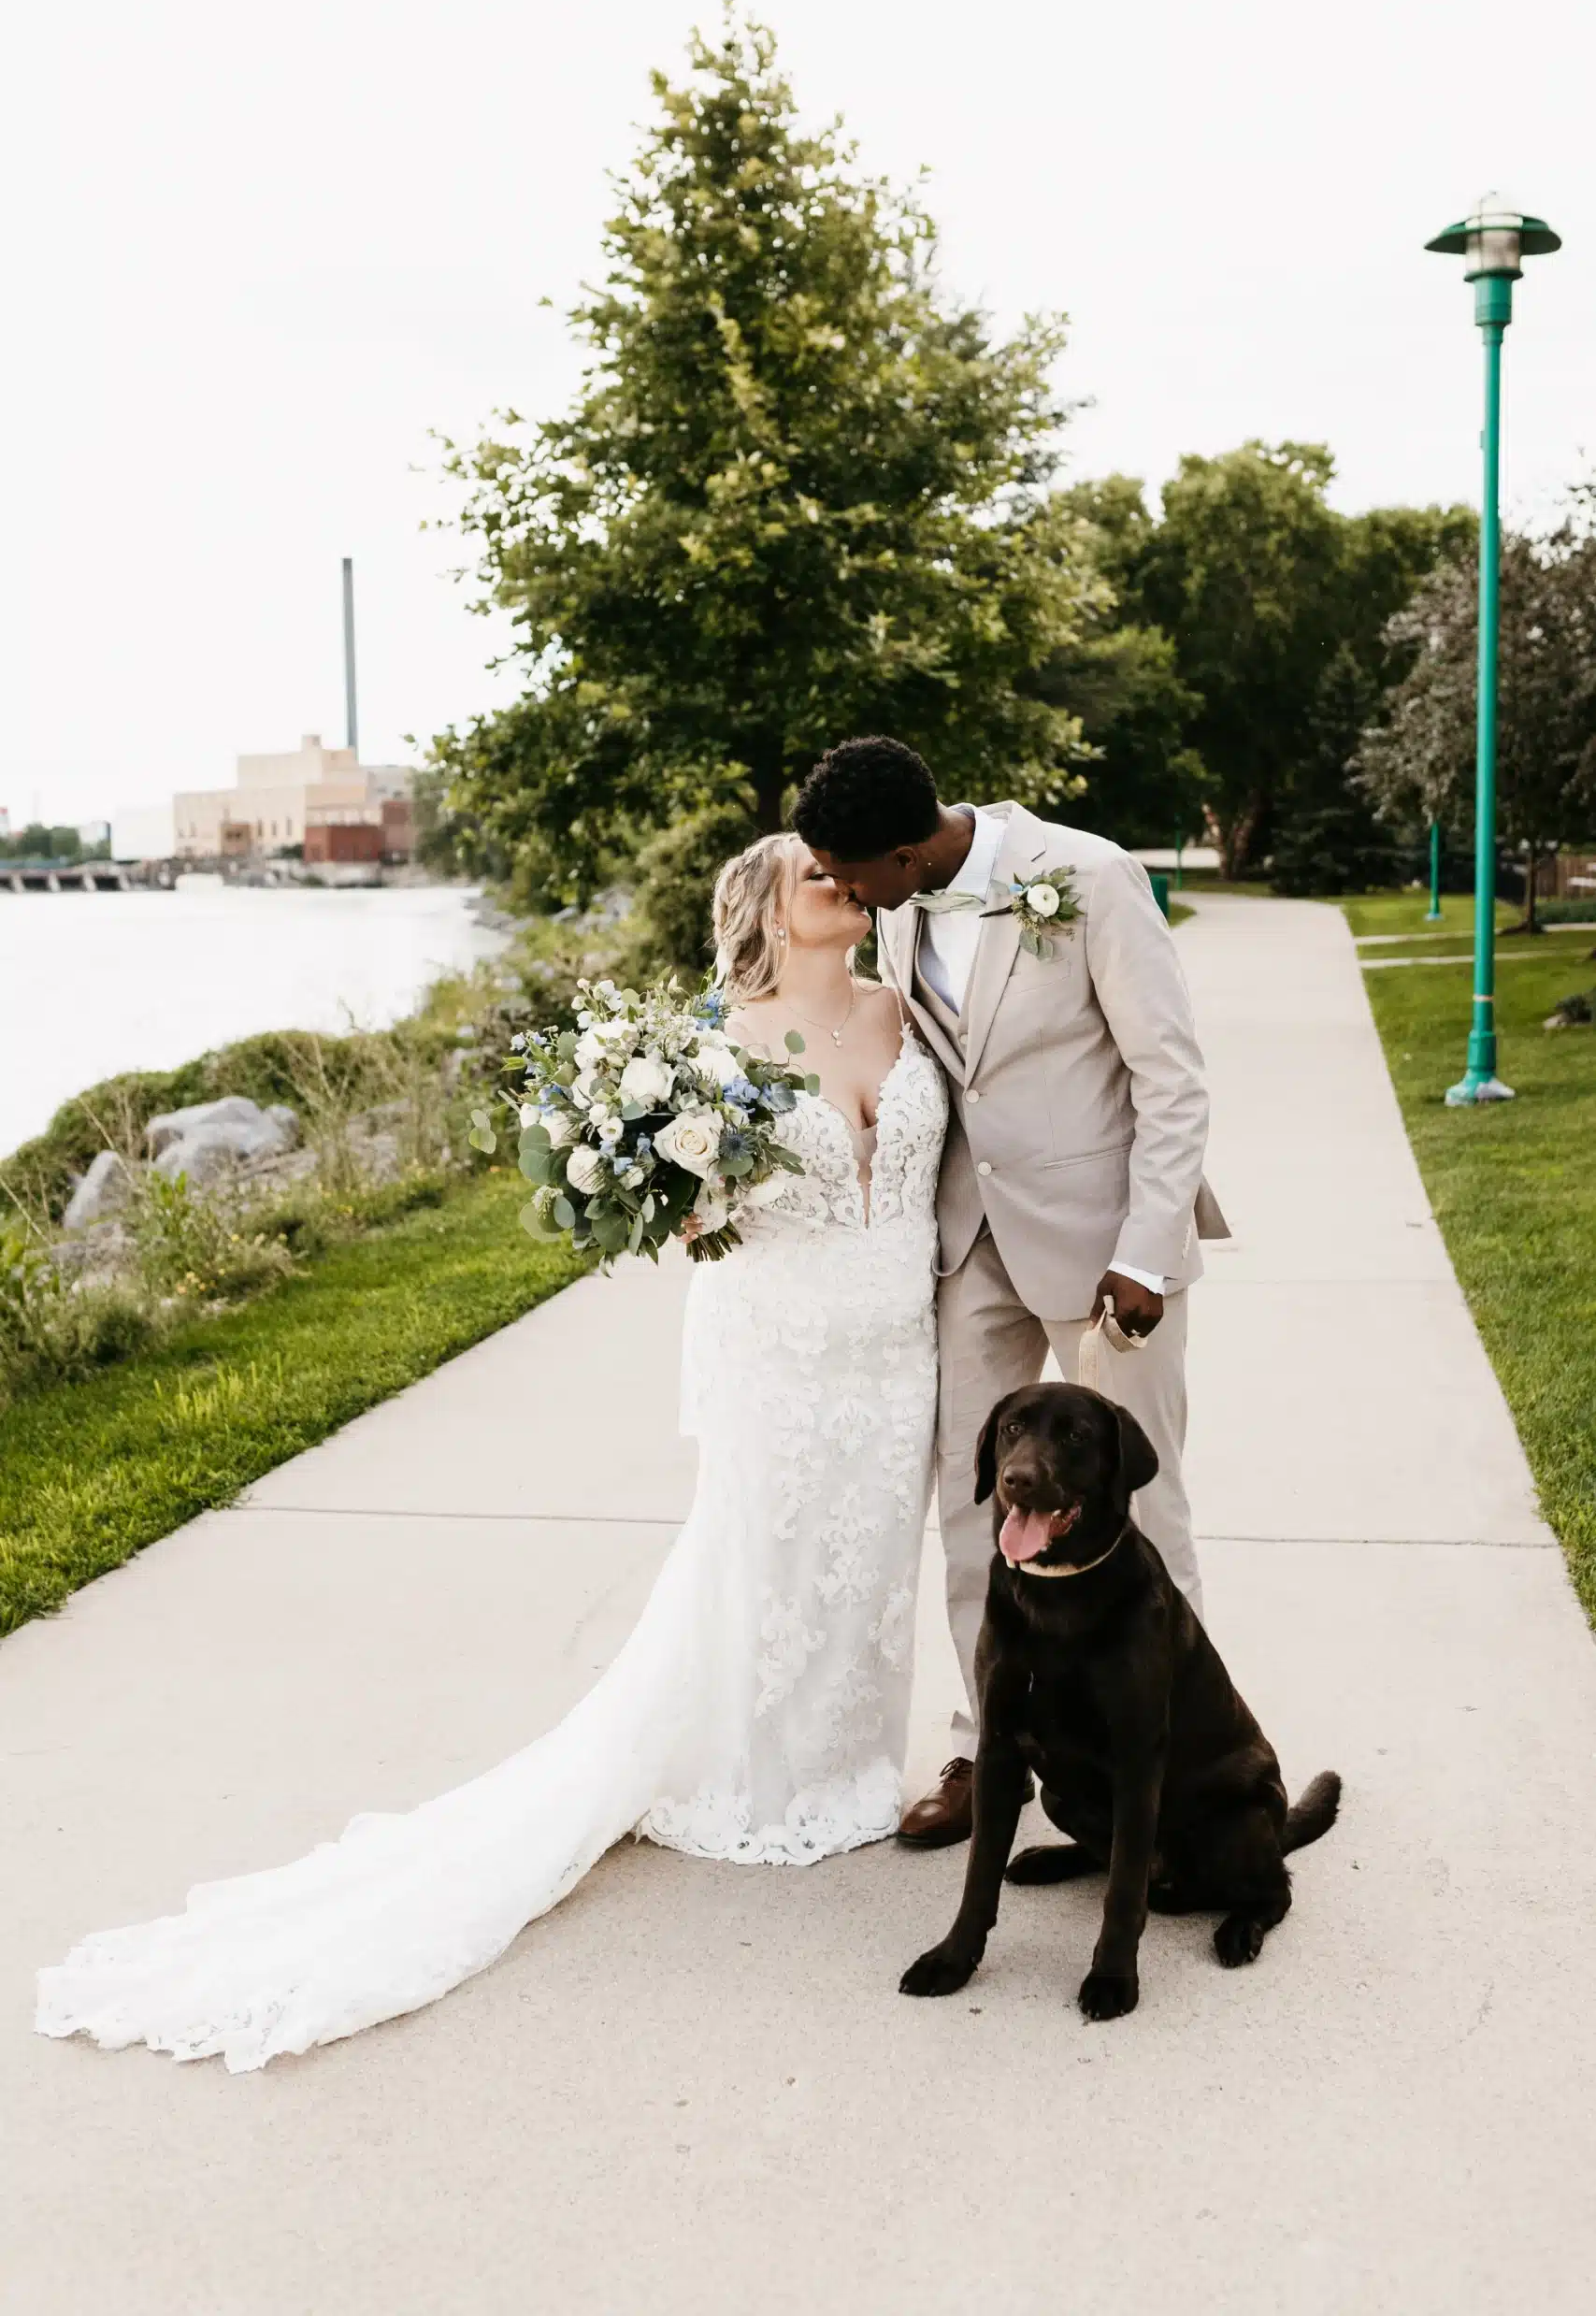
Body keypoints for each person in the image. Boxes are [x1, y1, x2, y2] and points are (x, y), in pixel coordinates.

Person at [36, 835, 947, 2071]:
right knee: (770, 1556)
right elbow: (686, 1210)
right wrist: (664, 1186)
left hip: (897, 1349)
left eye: (846, 874)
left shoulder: (906, 1010)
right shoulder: (717, 1041)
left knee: (870, 1561)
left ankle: (849, 1772)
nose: (841, 889)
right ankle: (757, 1783)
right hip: (778, 1349)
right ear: (766, 914)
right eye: (814, 879)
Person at [795, 735, 1226, 1850]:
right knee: (971, 1491)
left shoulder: (1088, 877)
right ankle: (988, 1742)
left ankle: (1165, 1753)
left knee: (1146, 1497)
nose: (843, 893)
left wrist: (1146, 1246)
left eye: (851, 873)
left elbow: (1169, 1075)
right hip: (966, 1238)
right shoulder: (899, 905)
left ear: (907, 847)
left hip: (1104, 1251)